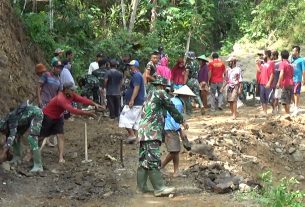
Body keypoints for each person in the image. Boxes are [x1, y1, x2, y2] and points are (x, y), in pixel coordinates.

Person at [137, 75, 188, 197]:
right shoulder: (160, 93)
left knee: (144, 160)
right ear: (162, 86)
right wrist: (182, 121)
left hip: (144, 132)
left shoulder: (149, 95)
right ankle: (159, 188)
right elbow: (171, 108)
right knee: (153, 160)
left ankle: (142, 187)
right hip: (151, 132)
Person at [40, 82, 103, 163]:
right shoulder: (60, 98)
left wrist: (94, 104)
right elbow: (72, 110)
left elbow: (82, 99)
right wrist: (88, 113)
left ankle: (61, 157)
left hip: (58, 117)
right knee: (41, 137)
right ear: (66, 90)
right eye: (72, 90)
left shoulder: (71, 95)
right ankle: (30, 153)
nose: (74, 91)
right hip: (48, 116)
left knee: (60, 135)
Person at [161, 85, 195, 177]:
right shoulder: (178, 104)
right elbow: (173, 118)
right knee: (174, 151)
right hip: (170, 128)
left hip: (169, 127)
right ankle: (161, 166)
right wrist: (180, 130)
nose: (188, 98)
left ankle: (176, 171)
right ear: (184, 95)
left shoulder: (175, 100)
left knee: (176, 150)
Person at [0, 103, 44, 172]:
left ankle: (38, 165)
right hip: (25, 119)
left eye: (3, 131)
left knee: (32, 138)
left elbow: (12, 135)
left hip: (36, 113)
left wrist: (4, 152)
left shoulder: (11, 119)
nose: (3, 133)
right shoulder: (7, 122)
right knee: (16, 137)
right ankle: (17, 157)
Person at [119, 60, 145, 144]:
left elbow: (136, 88)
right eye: (129, 66)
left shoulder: (137, 75)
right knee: (136, 121)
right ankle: (135, 138)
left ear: (135, 67)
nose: (129, 67)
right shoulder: (137, 75)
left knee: (124, 117)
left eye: (131, 66)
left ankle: (132, 135)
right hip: (139, 102)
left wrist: (132, 99)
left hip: (135, 102)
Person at [256, 50, 274, 115]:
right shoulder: (262, 63)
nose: (261, 56)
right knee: (262, 98)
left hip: (268, 83)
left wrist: (269, 83)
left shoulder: (271, 63)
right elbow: (259, 71)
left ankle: (275, 108)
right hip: (261, 83)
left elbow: (272, 74)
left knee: (270, 99)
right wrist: (257, 64)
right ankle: (265, 112)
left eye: (262, 55)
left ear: (266, 55)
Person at [277, 50, 294, 114]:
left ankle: (287, 114)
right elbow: (292, 74)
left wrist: (279, 82)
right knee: (288, 100)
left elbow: (281, 73)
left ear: (281, 56)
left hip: (285, 83)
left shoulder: (282, 63)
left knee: (284, 101)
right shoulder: (289, 63)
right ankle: (288, 113)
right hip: (291, 83)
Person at [290, 46, 305, 115]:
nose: (292, 52)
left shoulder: (301, 60)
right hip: (291, 79)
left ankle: (296, 107)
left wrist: (303, 79)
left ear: (297, 52)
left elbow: (303, 70)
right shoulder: (292, 59)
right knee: (292, 93)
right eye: (292, 51)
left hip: (297, 79)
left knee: (296, 93)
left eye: (294, 51)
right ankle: (295, 105)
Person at [270, 50, 281, 114]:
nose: (271, 56)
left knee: (276, 97)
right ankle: (276, 108)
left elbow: (281, 74)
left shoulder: (279, 63)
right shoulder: (272, 63)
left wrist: (279, 82)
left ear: (275, 56)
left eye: (272, 55)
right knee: (272, 98)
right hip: (272, 83)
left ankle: (276, 109)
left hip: (277, 83)